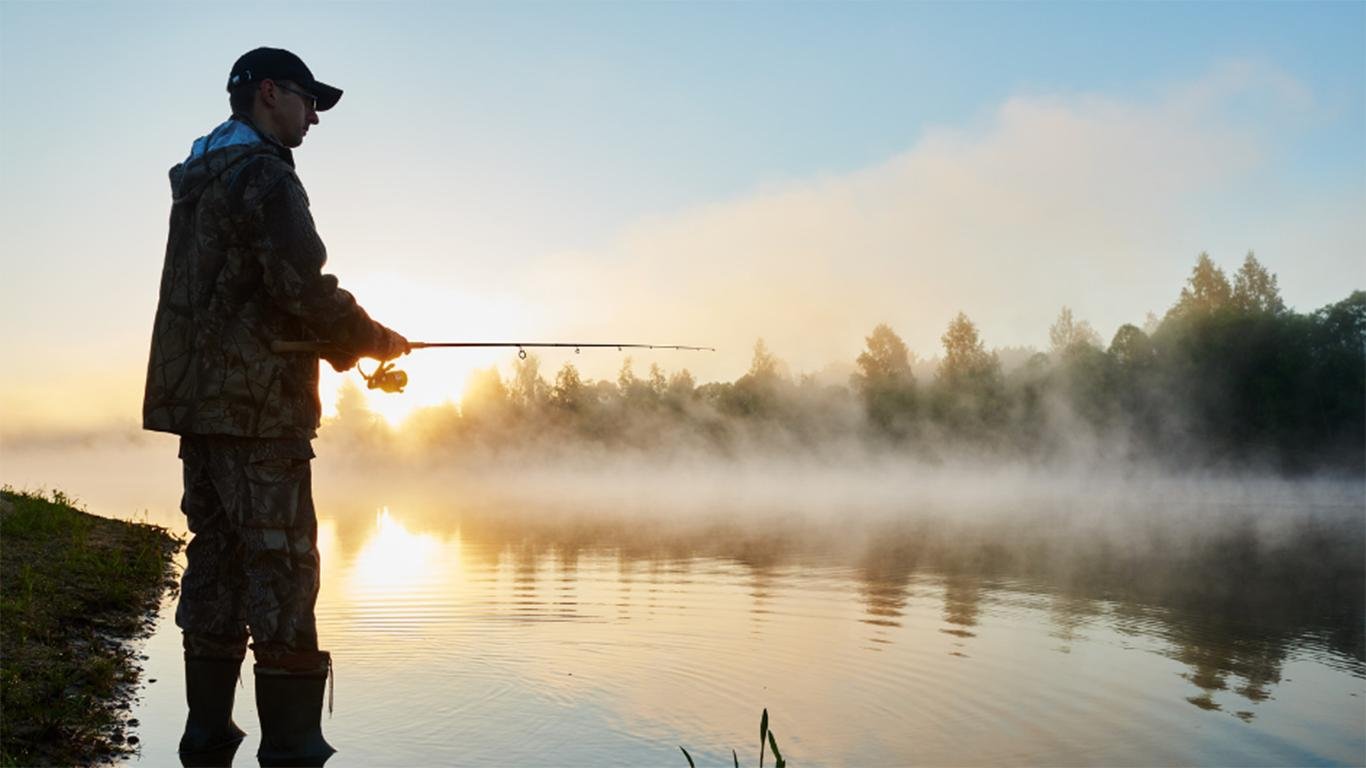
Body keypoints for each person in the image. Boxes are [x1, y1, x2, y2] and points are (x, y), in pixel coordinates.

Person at [143, 47, 407, 766]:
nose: (315, 115)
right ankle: (292, 749)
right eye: (306, 98)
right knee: (284, 566)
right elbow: (301, 286)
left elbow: (244, 295)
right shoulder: (263, 174)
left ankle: (207, 736)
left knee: (219, 559)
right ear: (268, 93)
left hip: (200, 404)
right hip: (259, 410)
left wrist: (341, 346)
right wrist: (373, 339)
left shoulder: (200, 177)